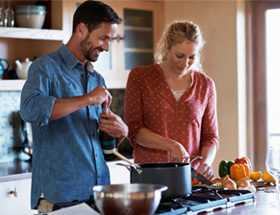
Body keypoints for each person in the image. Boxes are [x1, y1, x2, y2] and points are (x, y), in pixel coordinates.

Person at [20, 0, 128, 212]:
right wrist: (87, 99)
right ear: (81, 29)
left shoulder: (97, 79)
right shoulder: (45, 67)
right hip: (60, 197)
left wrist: (121, 131)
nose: (106, 47)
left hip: (99, 195)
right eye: (103, 38)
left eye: (110, 40)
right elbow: (30, 109)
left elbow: (103, 148)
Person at [124, 20, 219, 180]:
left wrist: (206, 163)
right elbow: (134, 131)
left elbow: (211, 137)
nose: (185, 63)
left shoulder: (206, 85)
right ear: (167, 46)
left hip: (190, 178)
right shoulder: (140, 77)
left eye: (192, 57)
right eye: (179, 55)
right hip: (149, 175)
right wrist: (172, 145)